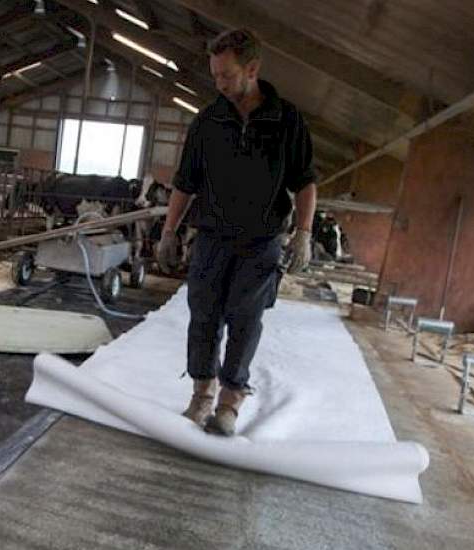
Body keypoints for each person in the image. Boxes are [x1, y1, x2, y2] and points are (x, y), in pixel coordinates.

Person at [156, 29, 317, 436]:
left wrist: (303, 232)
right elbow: (185, 182)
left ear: (253, 69)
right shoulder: (209, 120)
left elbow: (304, 182)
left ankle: (229, 403)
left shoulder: (287, 120)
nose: (219, 84)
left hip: (261, 240)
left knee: (245, 319)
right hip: (211, 236)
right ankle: (201, 397)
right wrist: (169, 231)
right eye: (215, 75)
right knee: (204, 315)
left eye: (226, 76)